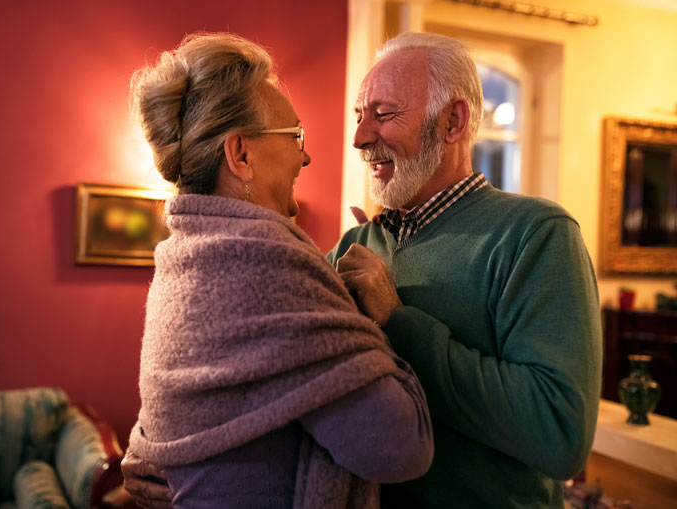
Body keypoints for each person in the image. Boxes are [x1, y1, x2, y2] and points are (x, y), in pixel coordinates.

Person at [121, 32, 433, 509]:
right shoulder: (264, 262)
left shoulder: (186, 254)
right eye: (296, 137)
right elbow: (400, 448)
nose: (305, 156)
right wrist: (380, 327)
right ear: (240, 154)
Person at [329, 31, 602, 508]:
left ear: (452, 121)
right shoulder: (356, 244)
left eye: (383, 114)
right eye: (359, 115)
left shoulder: (537, 234)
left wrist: (399, 322)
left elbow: (559, 433)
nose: (359, 138)